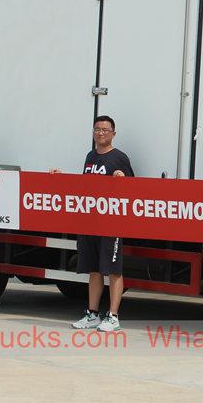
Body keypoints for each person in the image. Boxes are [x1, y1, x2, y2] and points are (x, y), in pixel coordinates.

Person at [51, 115, 134, 332]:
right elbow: (84, 186)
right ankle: (92, 314)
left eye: (106, 130)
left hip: (112, 223)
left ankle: (113, 316)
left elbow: (134, 188)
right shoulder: (90, 156)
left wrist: (121, 178)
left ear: (113, 134)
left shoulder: (119, 157)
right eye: (97, 129)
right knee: (94, 271)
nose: (101, 133)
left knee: (114, 271)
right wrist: (62, 178)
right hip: (91, 222)